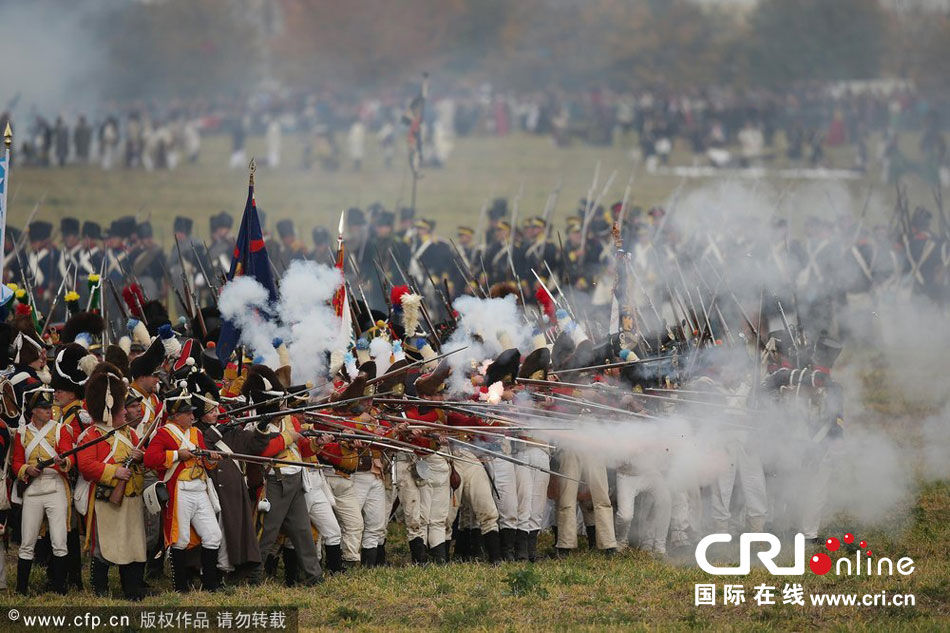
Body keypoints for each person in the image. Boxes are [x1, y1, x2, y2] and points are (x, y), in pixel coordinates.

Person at [76, 365, 147, 600]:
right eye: (121, 409)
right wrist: (115, 472)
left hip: (132, 497)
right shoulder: (91, 435)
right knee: (104, 548)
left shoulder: (130, 435)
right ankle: (100, 589)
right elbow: (86, 466)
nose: (126, 413)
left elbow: (144, 457)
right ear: (109, 409)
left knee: (133, 545)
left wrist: (141, 456)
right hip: (108, 498)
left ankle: (133, 589)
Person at [143, 386, 223, 592]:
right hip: (179, 489)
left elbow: (204, 463)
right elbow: (150, 459)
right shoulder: (163, 433)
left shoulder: (196, 432)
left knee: (213, 535)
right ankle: (180, 586)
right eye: (187, 412)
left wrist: (212, 459)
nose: (192, 415)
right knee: (180, 539)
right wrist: (178, 455)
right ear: (175, 414)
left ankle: (210, 584)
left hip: (199, 488)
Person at [12, 386, 73, 595]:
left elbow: (68, 456)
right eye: (43, 407)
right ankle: (21, 589)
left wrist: (63, 461)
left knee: (59, 540)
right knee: (27, 540)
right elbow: (16, 463)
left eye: (49, 407)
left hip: (55, 485)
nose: (49, 411)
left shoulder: (59, 429)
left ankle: (59, 587)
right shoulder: (22, 433)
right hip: (32, 487)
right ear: (34, 410)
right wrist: (27, 469)